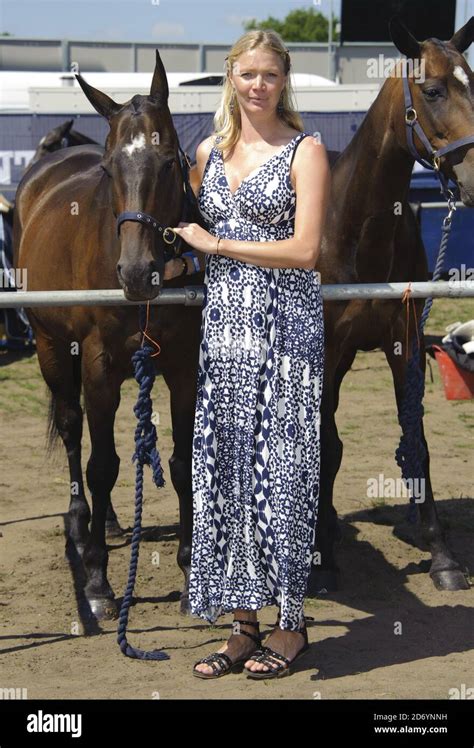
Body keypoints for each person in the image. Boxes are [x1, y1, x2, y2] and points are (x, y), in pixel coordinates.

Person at [171, 28, 330, 680]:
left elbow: (304, 251)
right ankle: (242, 628)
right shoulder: (207, 152)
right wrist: (183, 260)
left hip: (286, 337)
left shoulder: (306, 150)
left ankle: (291, 630)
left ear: (282, 81)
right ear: (231, 78)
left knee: (281, 482)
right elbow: (194, 241)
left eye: (269, 75)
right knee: (225, 483)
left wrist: (215, 247)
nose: (258, 85)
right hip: (224, 342)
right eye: (248, 74)